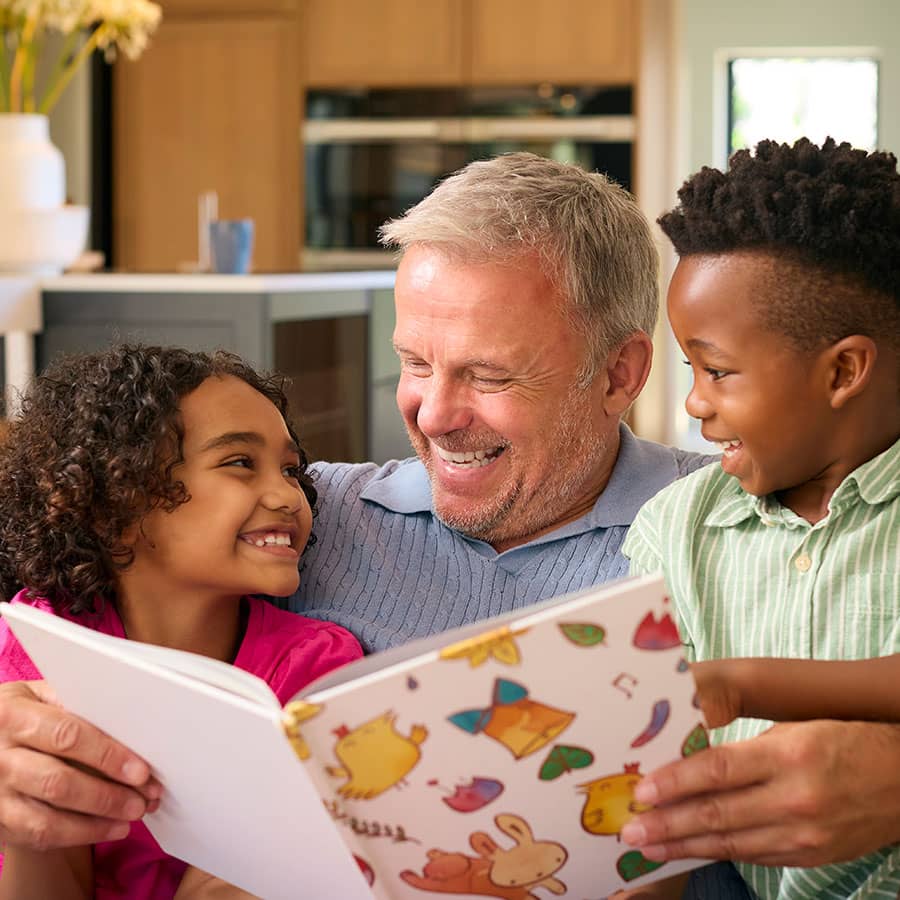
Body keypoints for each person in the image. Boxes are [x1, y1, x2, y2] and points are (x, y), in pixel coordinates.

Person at [1, 152, 900, 895]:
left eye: (489, 376)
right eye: (414, 362)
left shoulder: (741, 519)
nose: (432, 414)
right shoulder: (304, 516)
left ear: (622, 375)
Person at [621, 137, 900, 899]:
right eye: (691, 370)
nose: (694, 402)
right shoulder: (676, 530)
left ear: (843, 370)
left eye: (717, 370)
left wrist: (740, 684)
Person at [0, 345, 362, 898]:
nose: (287, 495)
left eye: (290, 470)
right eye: (240, 462)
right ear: (114, 501)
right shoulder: (38, 640)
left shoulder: (317, 666)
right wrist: (35, 824)